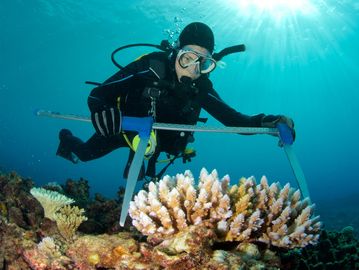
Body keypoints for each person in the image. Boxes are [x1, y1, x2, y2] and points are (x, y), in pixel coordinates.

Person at [56, 22, 295, 180]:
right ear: (176, 53)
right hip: (123, 128)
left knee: (136, 177)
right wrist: (101, 110)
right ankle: (66, 139)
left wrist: (269, 122)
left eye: (202, 63)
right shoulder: (151, 67)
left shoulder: (201, 87)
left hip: (156, 142)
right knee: (85, 154)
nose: (192, 70)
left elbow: (235, 121)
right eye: (187, 58)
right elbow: (100, 93)